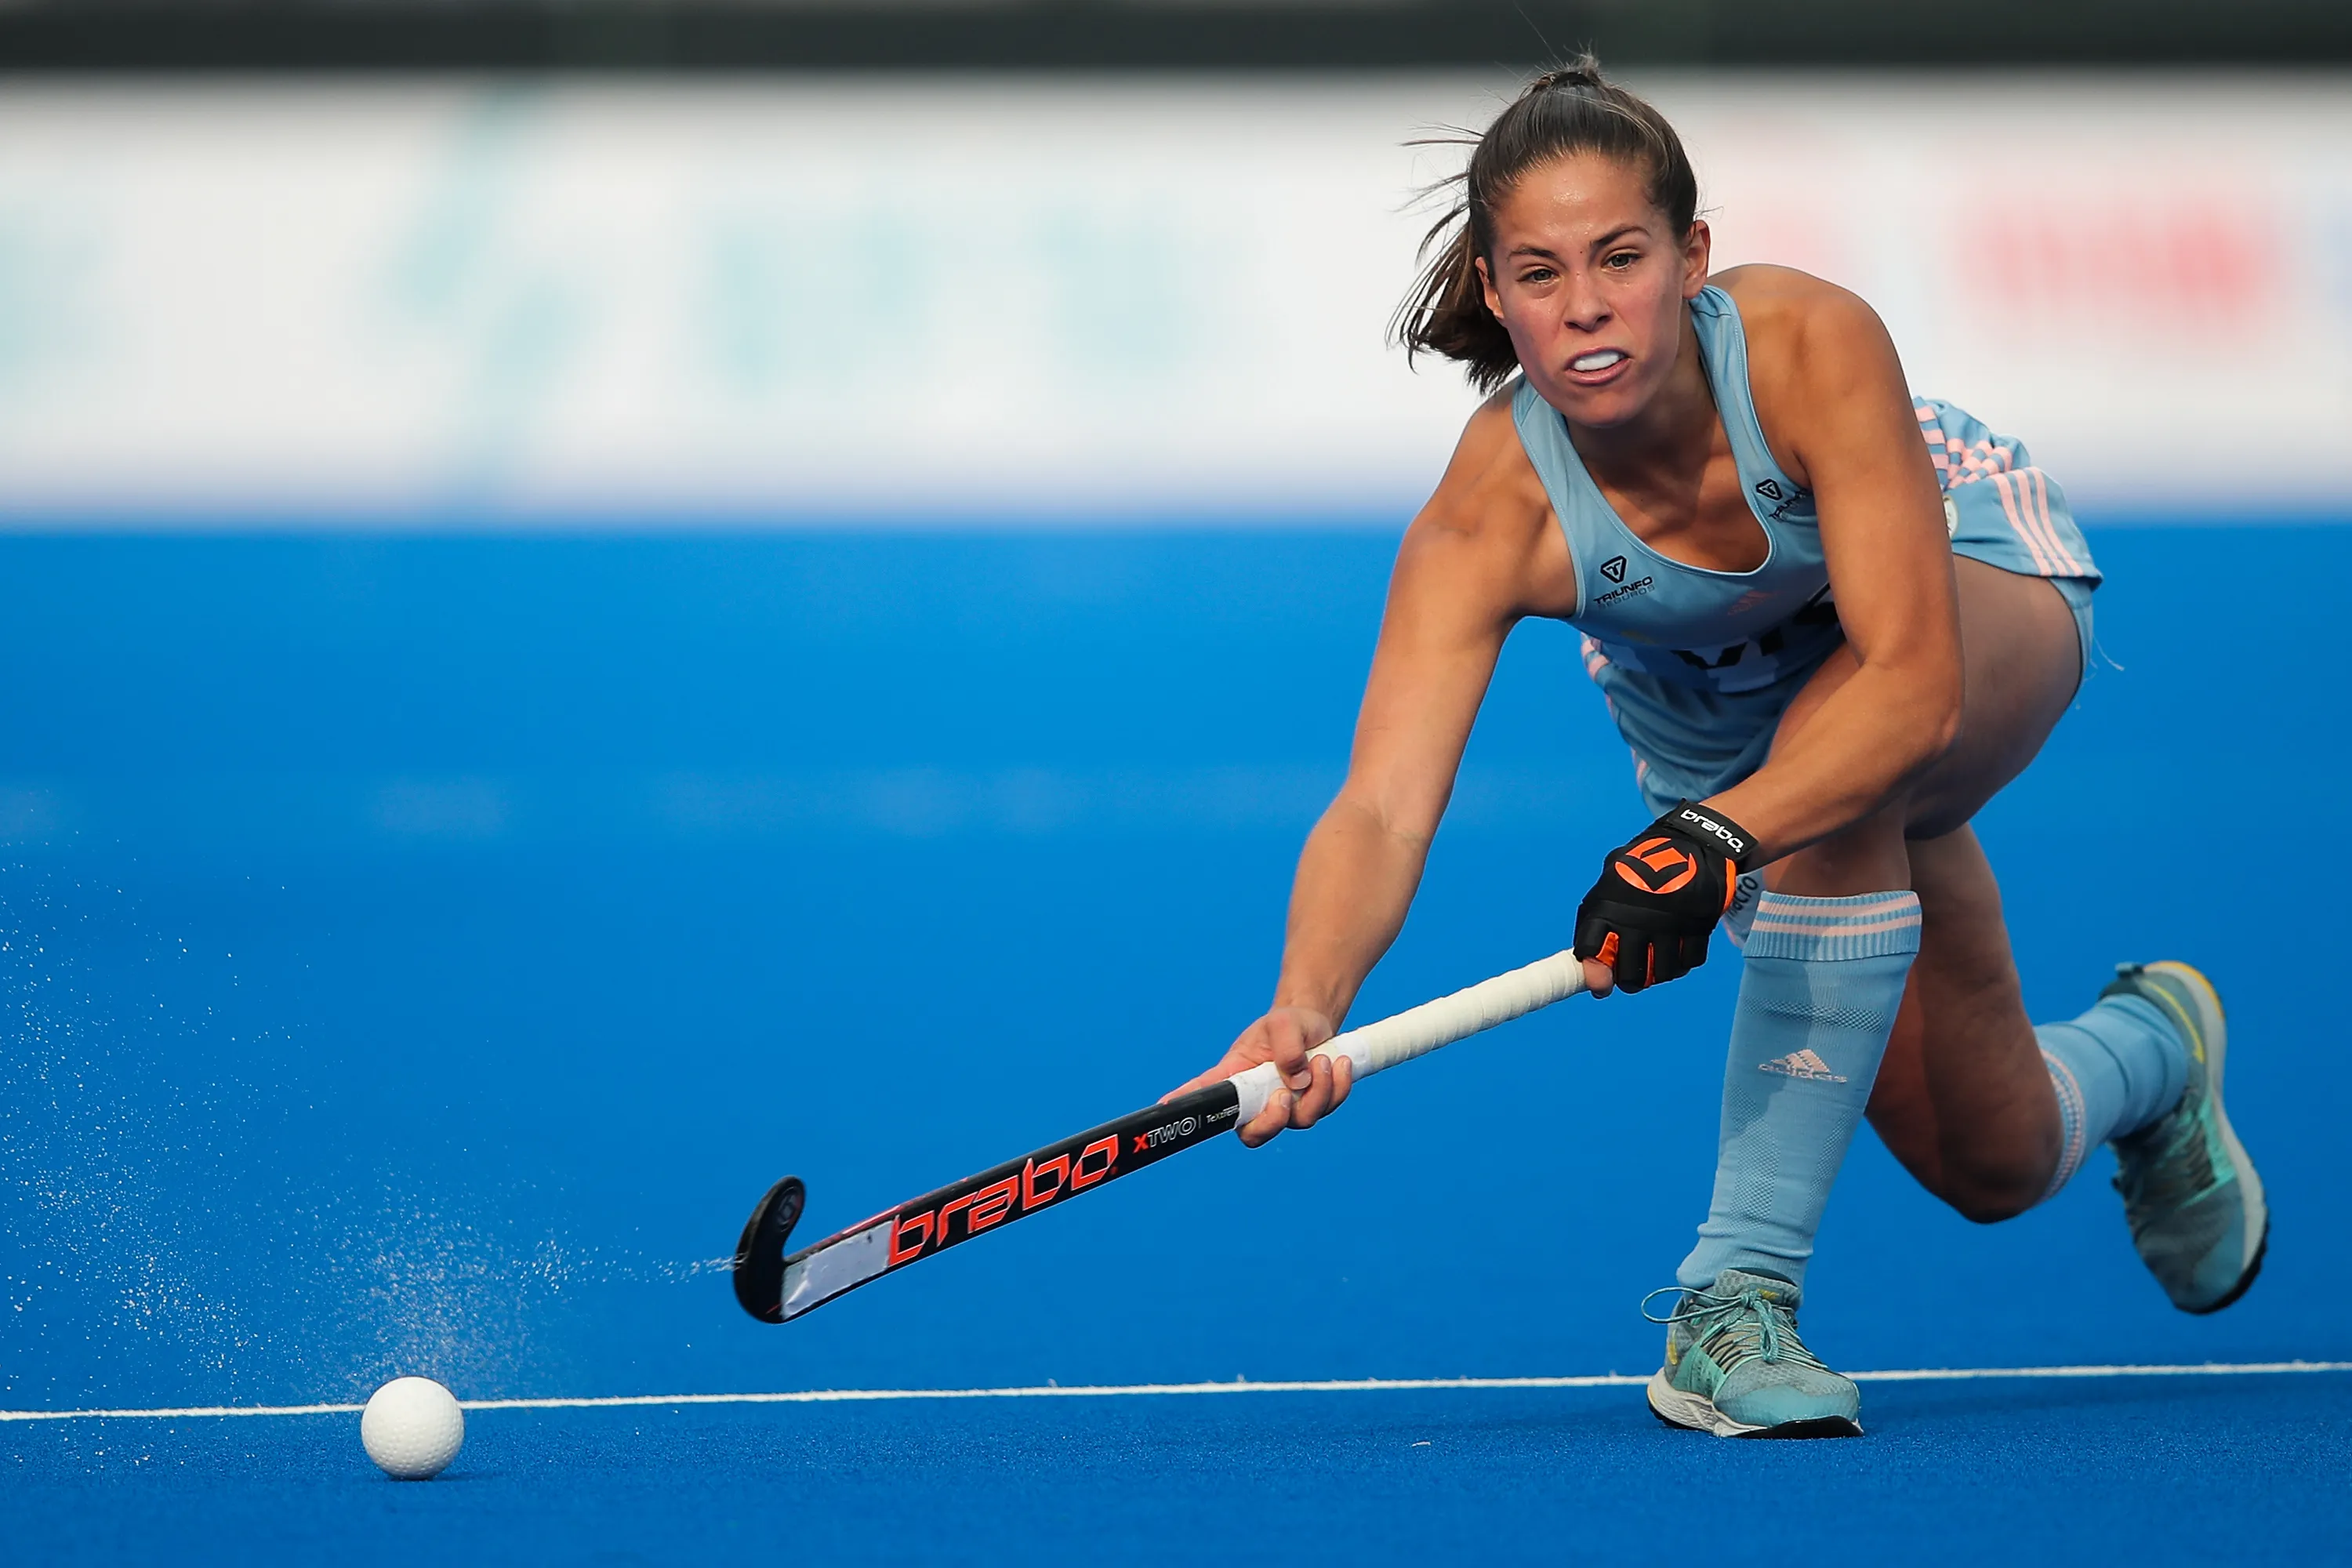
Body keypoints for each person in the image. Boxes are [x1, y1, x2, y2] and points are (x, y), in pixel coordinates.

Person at [1166, 58, 2266, 1439]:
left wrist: (1720, 835)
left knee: (1838, 764)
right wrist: (1305, 1003)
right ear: (1499, 297)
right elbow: (1384, 807)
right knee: (1991, 1155)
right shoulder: (1489, 511)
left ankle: (1730, 1303)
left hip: (1966, 598)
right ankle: (2154, 1053)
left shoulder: (1809, 342)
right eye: (1541, 274)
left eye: (1621, 257)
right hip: (1729, 743)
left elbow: (1911, 684)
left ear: (1692, 256)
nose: (1586, 310)